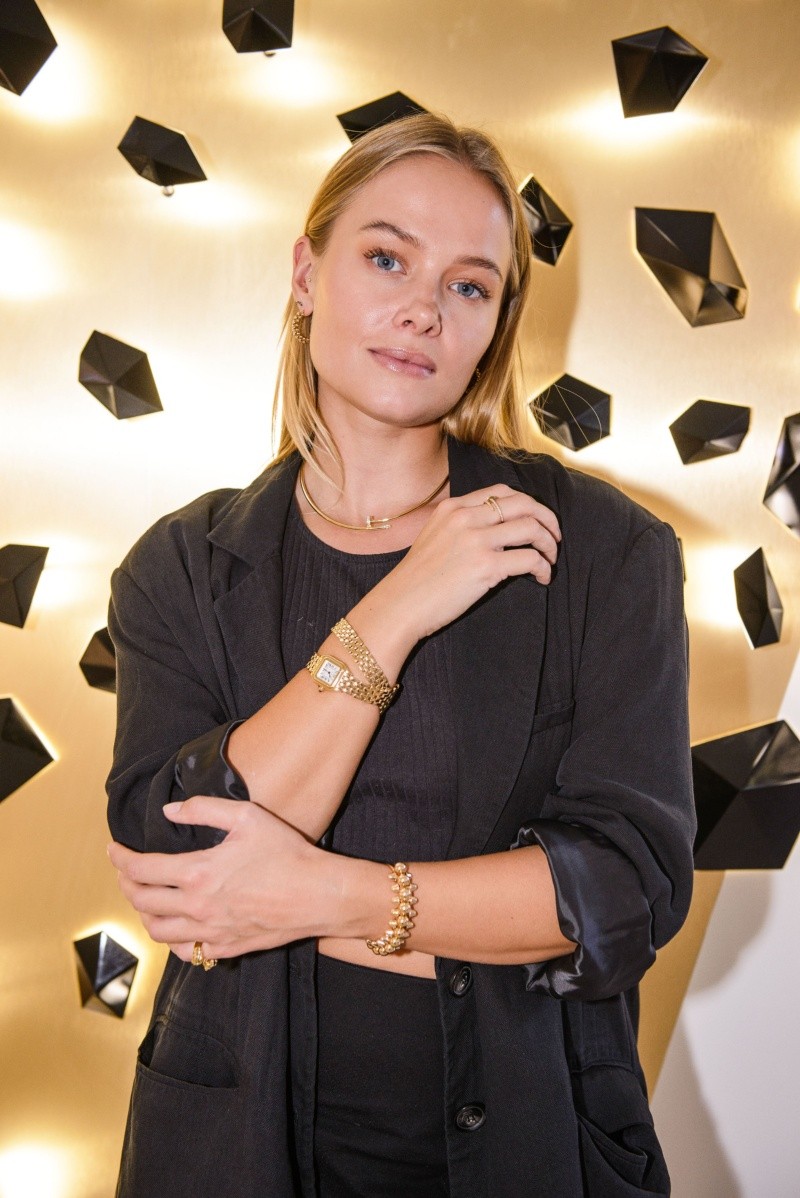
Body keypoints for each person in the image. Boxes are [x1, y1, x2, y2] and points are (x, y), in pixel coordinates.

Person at [106, 112, 695, 1198]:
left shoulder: (604, 550)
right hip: (233, 1149)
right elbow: (183, 863)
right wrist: (398, 608)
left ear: (494, 326)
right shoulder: (180, 567)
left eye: (469, 285)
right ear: (305, 274)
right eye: (386, 258)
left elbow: (621, 891)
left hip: (531, 1142)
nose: (423, 308)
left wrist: (329, 897)